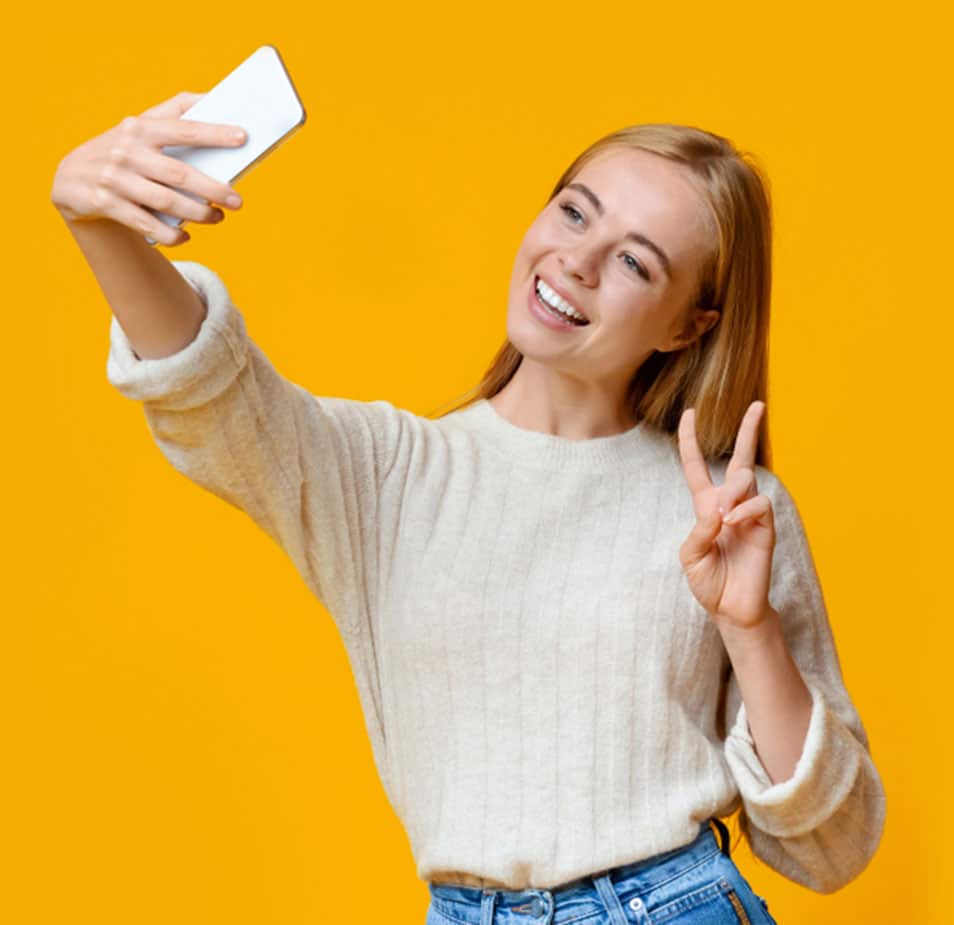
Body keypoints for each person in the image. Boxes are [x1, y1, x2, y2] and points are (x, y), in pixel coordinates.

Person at [52, 95, 886, 924]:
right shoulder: (385, 476)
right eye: (573, 212)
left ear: (686, 328)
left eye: (636, 262)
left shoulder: (728, 511)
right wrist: (100, 225)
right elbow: (214, 395)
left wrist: (751, 628)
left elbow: (833, 845)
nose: (577, 261)